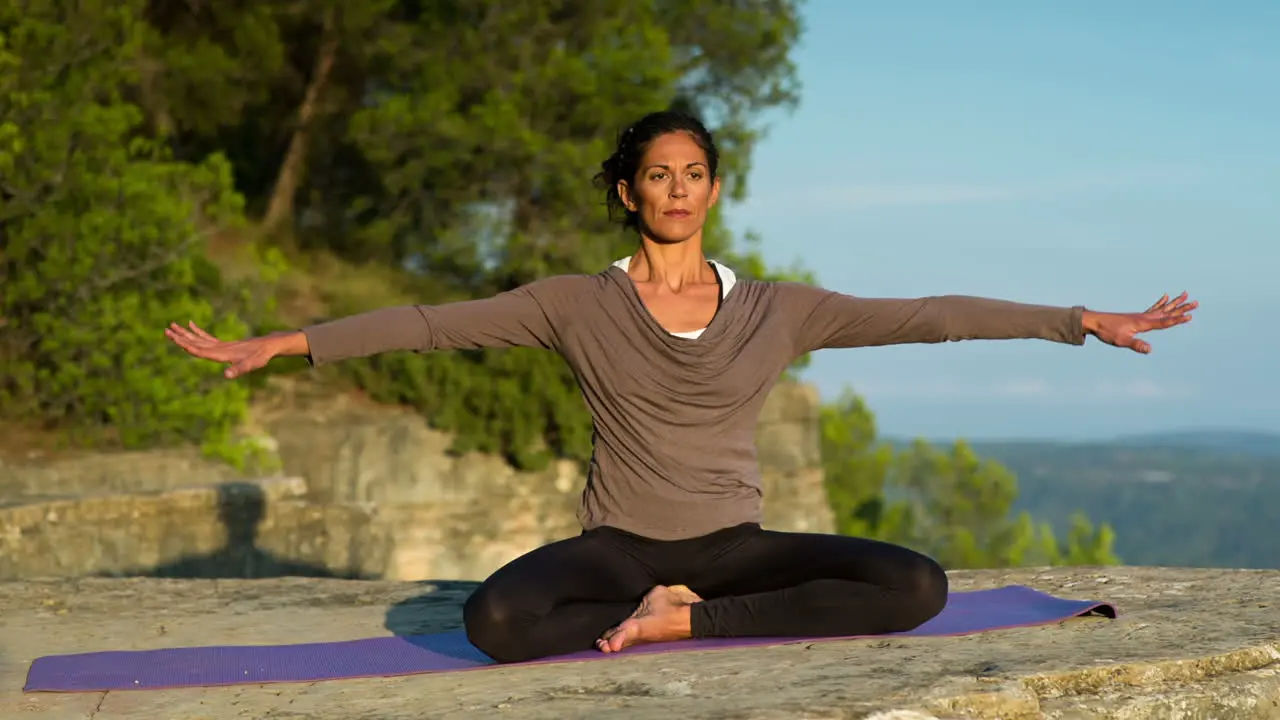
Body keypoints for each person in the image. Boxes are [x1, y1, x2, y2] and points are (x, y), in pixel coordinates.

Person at [166, 110, 1196, 664]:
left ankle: (684, 625)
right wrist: (287, 342)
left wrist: (1077, 322)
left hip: (732, 551)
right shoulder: (574, 302)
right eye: (657, 175)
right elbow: (432, 326)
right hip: (616, 550)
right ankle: (653, 609)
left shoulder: (778, 308)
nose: (676, 189)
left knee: (916, 585)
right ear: (629, 193)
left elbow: (926, 315)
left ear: (712, 188)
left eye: (693, 172)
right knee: (490, 624)